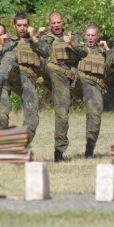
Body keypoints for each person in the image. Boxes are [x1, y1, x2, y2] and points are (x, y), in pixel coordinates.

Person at [0, 13, 51, 145]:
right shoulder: (9, 40)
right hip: (10, 75)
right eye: (19, 25)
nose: (22, 28)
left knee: (32, 118)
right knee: (9, 55)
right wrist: (1, 46)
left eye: (25, 25)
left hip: (27, 80)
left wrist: (33, 37)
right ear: (14, 25)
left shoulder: (36, 40)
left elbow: (47, 52)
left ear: (29, 26)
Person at [39, 11, 87, 162]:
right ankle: (59, 152)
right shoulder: (45, 38)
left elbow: (84, 52)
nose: (56, 25)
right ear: (49, 24)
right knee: (62, 112)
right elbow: (37, 51)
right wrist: (37, 38)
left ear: (63, 22)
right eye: (53, 23)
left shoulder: (72, 36)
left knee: (64, 111)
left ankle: (60, 151)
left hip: (70, 76)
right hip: (55, 74)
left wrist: (71, 44)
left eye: (58, 22)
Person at [76, 24, 111, 158]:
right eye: (88, 35)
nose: (90, 38)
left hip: (95, 86)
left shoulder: (103, 52)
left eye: (93, 35)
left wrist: (107, 49)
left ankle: (89, 149)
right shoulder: (79, 48)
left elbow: (113, 64)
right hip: (79, 81)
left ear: (98, 36)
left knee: (95, 116)